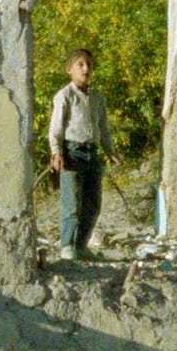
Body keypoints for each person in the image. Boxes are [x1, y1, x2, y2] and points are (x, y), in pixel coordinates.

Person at [48, 48, 117, 261]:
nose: (86, 69)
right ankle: (67, 246)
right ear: (69, 70)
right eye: (80, 64)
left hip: (92, 154)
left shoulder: (97, 97)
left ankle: (81, 246)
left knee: (93, 204)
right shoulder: (65, 96)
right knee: (72, 205)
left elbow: (103, 127)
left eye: (89, 64)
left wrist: (110, 151)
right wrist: (56, 152)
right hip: (72, 154)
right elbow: (56, 128)